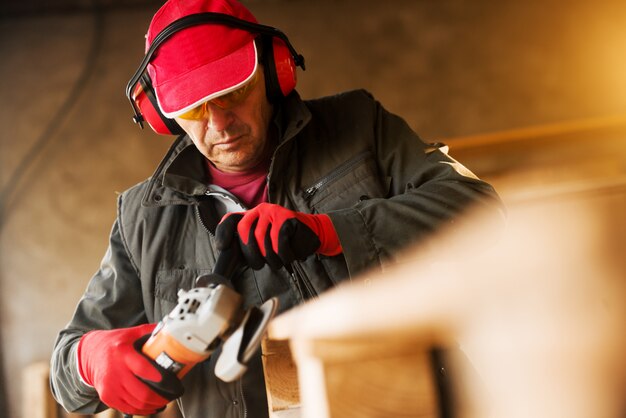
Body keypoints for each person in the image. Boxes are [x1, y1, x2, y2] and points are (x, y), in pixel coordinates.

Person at [49, 0, 503, 417]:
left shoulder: (358, 126)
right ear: (162, 116)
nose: (220, 124)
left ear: (272, 71)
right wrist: (89, 360)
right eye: (195, 110)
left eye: (232, 94)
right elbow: (65, 373)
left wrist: (329, 230)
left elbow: (479, 210)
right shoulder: (143, 218)